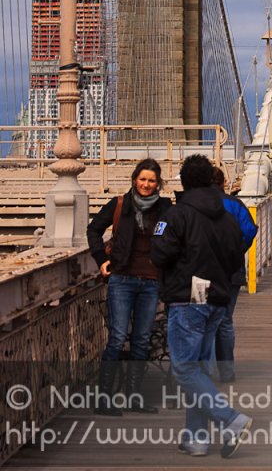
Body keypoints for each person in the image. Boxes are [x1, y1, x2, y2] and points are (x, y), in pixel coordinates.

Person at [150, 154, 252, 459]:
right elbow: (237, 254)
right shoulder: (228, 216)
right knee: (197, 370)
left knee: (183, 369)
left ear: (183, 181)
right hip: (218, 296)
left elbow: (158, 254)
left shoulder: (176, 214)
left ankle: (230, 419)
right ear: (210, 179)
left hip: (188, 297)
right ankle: (195, 438)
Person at [87, 158, 172, 416]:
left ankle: (134, 399)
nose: (146, 185)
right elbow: (93, 230)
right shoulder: (119, 204)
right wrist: (102, 260)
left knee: (141, 340)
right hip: (121, 279)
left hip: (151, 280)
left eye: (152, 181)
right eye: (142, 179)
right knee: (116, 338)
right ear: (135, 179)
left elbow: (177, 237)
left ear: (158, 184)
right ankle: (104, 400)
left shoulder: (167, 209)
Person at [211, 165, 258, 382]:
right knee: (226, 320)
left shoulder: (196, 204)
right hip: (232, 271)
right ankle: (227, 371)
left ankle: (207, 372)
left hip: (204, 273)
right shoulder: (236, 204)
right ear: (222, 183)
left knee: (205, 321)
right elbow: (250, 230)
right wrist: (237, 251)